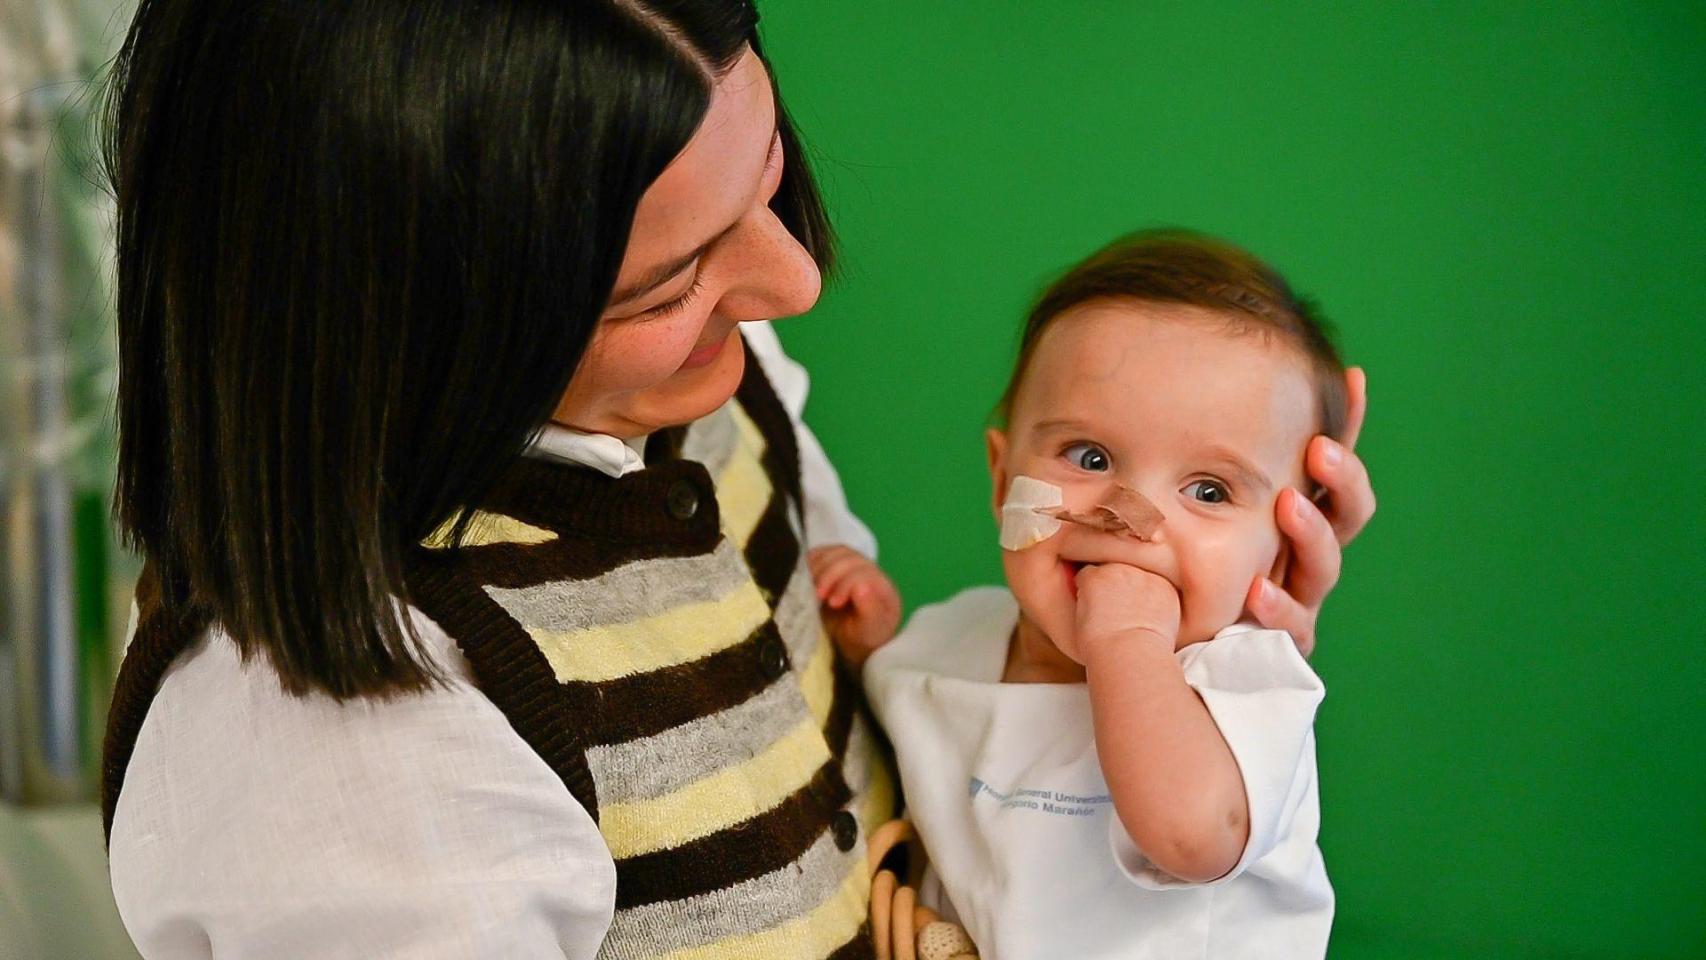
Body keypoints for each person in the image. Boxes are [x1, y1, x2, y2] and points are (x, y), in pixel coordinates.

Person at [96, 1, 1374, 956]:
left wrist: (1206, 647)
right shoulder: (349, 755)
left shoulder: (706, 378)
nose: (791, 285)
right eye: (666, 283)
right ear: (421, 325)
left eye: (766, 179)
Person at [859, 231, 1362, 959]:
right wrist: (860, 641)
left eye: (1209, 490)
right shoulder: (954, 632)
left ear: (1283, 550)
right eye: (1089, 457)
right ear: (1002, 482)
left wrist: (1128, 643)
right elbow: (877, 725)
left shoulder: (1244, 683)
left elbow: (1192, 837)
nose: (1130, 517)